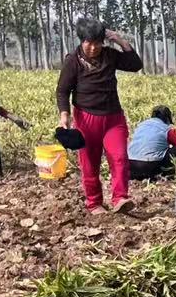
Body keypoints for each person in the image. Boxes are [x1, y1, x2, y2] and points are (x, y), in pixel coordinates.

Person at [56, 17, 144, 214]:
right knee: (89, 162)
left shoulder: (110, 56)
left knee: (120, 157)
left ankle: (120, 198)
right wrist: (64, 114)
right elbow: (62, 91)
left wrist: (120, 40)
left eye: (98, 42)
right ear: (82, 40)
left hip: (113, 118)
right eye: (89, 42)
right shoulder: (73, 61)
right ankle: (94, 203)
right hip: (86, 118)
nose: (94, 47)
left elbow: (135, 64)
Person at [128, 105, 176, 181]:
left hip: (130, 165)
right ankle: (168, 174)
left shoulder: (141, 125)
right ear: (168, 118)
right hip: (149, 166)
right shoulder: (167, 129)